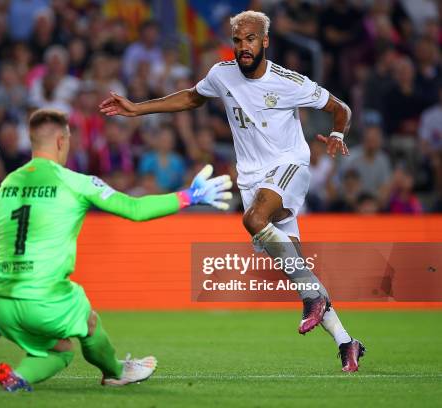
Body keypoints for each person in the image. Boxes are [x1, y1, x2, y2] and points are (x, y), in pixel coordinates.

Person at [99, 10, 365, 372]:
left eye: (251, 39)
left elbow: (341, 109)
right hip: (253, 178)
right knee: (296, 268)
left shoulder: (288, 81)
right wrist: (137, 110)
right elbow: (193, 98)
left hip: (290, 166)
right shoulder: (221, 75)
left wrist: (336, 134)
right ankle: (347, 341)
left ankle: (312, 298)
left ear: (265, 41)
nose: (243, 46)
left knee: (254, 219)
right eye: (238, 40)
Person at [0, 109, 232, 390]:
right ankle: (116, 371)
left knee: (60, 349)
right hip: (43, 298)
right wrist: (189, 196)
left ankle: (18, 377)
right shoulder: (75, 182)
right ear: (60, 141)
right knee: (88, 321)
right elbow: (135, 209)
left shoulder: (7, 185)